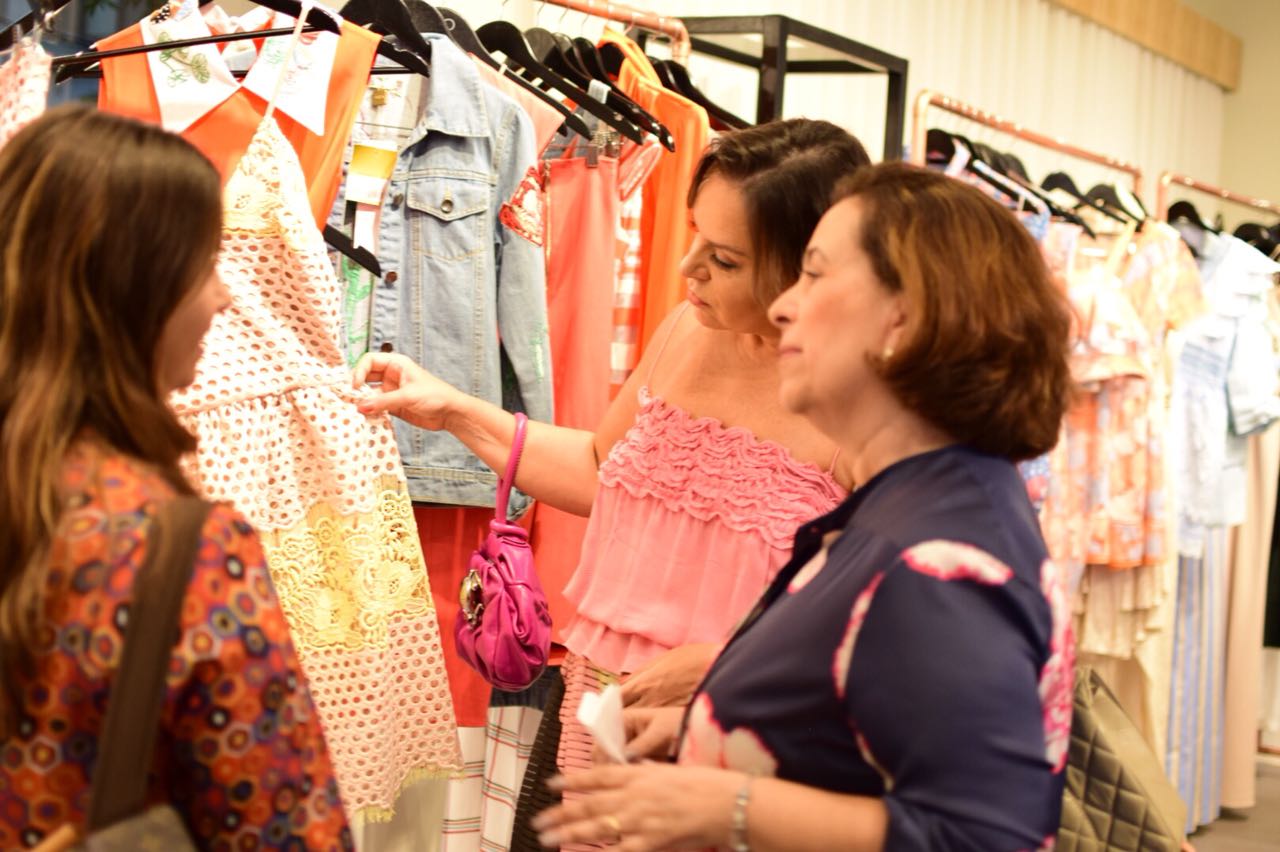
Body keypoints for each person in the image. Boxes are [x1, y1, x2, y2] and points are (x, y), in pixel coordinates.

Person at [532, 161, 1077, 851]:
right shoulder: (909, 502)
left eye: (814, 275)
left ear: (903, 320)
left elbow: (985, 837)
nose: (785, 305)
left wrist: (733, 805)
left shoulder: (943, 561)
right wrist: (717, 731)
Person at [354, 119, 870, 707]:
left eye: (726, 260)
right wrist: (452, 411)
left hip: (736, 730)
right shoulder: (686, 329)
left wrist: (726, 665)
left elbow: (886, 628)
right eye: (696, 233)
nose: (688, 266)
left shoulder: (870, 405)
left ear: (813, 268)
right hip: (595, 705)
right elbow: (600, 471)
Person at [0, 106, 351, 850]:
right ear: (137, 292)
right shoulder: (176, 551)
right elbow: (287, 830)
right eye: (204, 266)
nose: (222, 297)